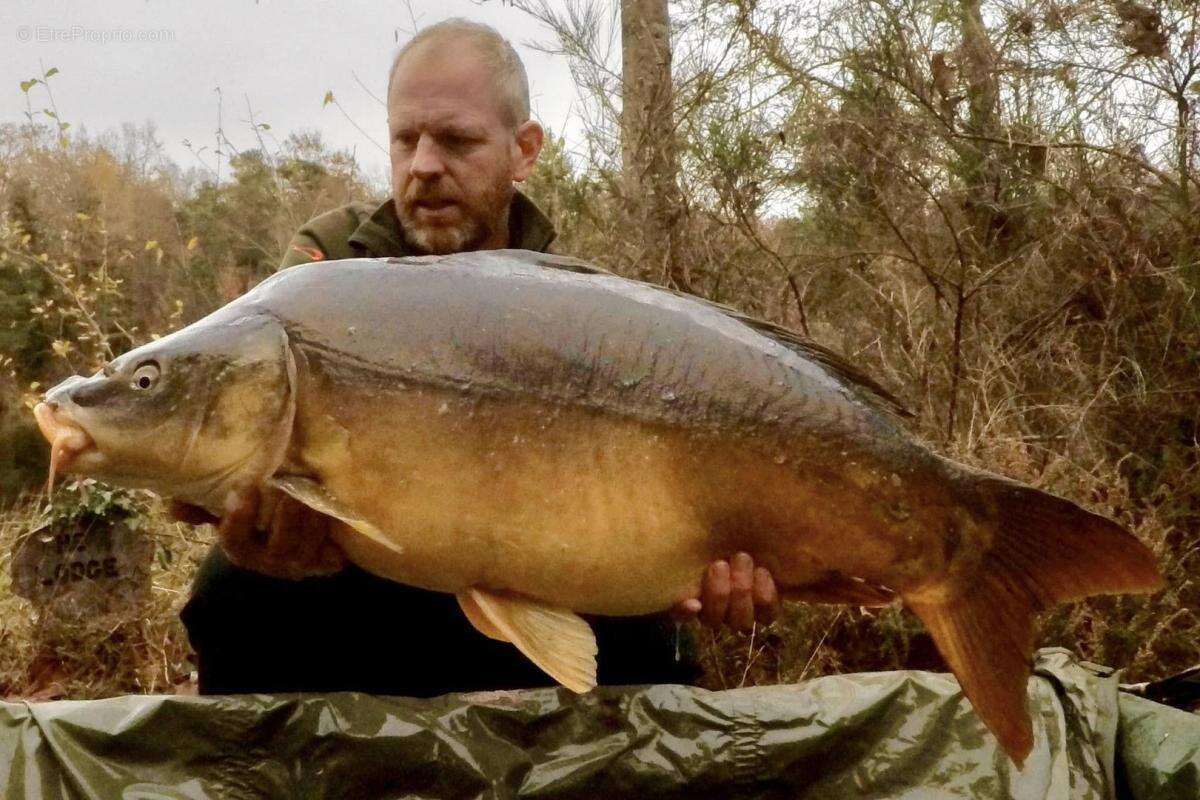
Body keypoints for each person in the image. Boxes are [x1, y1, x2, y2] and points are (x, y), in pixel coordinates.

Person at [178, 19, 779, 696]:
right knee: (231, 590)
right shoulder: (328, 266)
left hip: (539, 569)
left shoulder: (577, 302)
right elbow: (229, 449)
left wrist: (673, 571)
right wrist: (245, 525)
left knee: (656, 642)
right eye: (406, 140)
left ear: (523, 151)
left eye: (456, 141)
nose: (424, 165)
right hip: (371, 573)